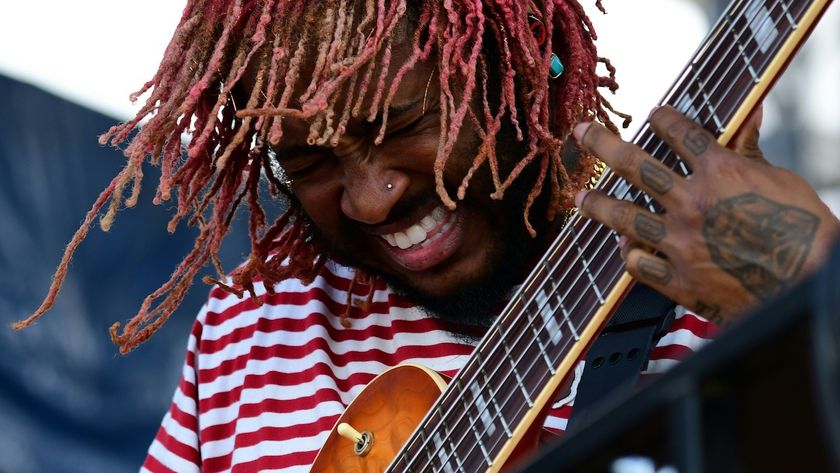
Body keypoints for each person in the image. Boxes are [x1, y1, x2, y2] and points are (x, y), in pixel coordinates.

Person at [14, 1, 839, 472]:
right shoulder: (248, 339)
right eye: (308, 162)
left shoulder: (721, 267)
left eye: (405, 122)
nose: (370, 201)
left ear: (517, 69)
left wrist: (811, 278)